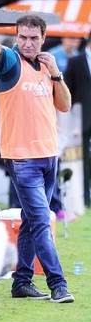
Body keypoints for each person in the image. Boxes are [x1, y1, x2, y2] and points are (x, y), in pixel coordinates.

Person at [0, 2, 74, 303]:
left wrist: (56, 73)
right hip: (22, 158)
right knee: (40, 221)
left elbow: (64, 105)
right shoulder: (10, 61)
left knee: (29, 221)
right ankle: (58, 284)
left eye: (33, 38)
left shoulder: (47, 67)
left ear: (43, 37)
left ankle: (21, 281)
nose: (27, 43)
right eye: (22, 37)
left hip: (49, 155)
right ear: (16, 37)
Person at [48, 37, 82, 220]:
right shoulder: (53, 57)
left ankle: (61, 205)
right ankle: (55, 207)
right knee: (54, 161)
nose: (74, 43)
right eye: (71, 39)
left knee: (65, 162)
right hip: (54, 115)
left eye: (76, 41)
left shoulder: (78, 57)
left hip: (70, 115)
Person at [64, 33, 91, 208]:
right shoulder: (75, 62)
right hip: (81, 120)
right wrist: (70, 121)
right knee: (82, 161)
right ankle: (85, 199)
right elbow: (68, 91)